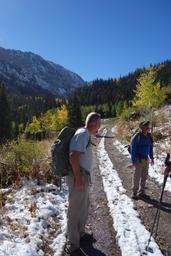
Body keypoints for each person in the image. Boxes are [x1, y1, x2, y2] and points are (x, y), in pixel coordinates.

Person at [64, 112, 101, 256]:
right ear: (94, 123)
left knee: (83, 207)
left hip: (82, 177)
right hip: (77, 178)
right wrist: (78, 178)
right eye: (99, 123)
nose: (100, 126)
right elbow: (73, 156)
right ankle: (72, 243)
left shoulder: (85, 134)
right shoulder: (83, 133)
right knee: (74, 210)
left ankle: (80, 233)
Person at [130, 121, 154, 200]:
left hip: (146, 159)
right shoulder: (137, 136)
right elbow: (132, 148)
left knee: (144, 176)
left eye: (147, 127)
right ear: (141, 127)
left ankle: (142, 192)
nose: (146, 128)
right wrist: (133, 160)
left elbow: (150, 148)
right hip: (138, 160)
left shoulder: (149, 136)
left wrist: (152, 158)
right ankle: (134, 193)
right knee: (137, 176)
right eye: (144, 127)